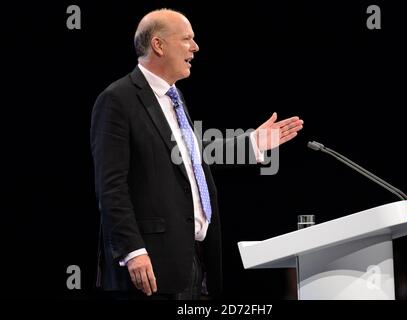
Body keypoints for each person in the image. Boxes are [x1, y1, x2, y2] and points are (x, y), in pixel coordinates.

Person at [90, 8, 304, 300]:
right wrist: (133, 251)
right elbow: (110, 187)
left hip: (194, 259)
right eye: (187, 39)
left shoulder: (173, 98)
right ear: (159, 45)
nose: (195, 47)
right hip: (150, 265)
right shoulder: (117, 100)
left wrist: (253, 143)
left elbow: (190, 160)